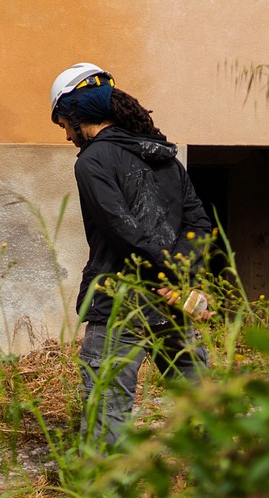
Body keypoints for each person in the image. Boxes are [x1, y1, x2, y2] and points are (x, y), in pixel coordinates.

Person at [51, 63, 212, 448]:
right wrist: (181, 280)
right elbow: (200, 225)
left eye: (63, 125)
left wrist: (168, 278)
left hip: (119, 303)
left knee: (108, 412)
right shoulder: (165, 157)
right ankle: (221, 492)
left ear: (77, 114)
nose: (68, 136)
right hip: (171, 303)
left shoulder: (92, 161)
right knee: (201, 406)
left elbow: (122, 229)